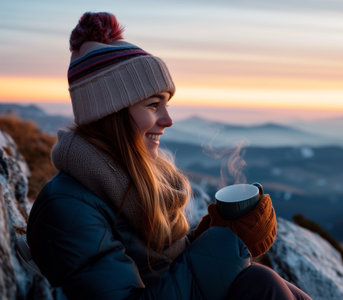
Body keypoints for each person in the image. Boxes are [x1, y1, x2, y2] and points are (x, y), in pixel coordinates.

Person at [26, 12, 312, 300]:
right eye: (153, 105)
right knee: (261, 285)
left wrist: (212, 233)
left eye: (167, 104)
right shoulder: (67, 208)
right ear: (110, 113)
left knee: (264, 283)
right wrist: (229, 243)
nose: (168, 120)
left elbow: (162, 269)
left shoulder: (131, 179)